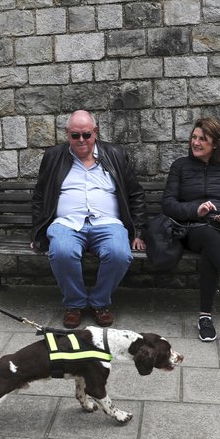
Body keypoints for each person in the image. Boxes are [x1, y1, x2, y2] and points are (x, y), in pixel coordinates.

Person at [30, 110, 146, 328]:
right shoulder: (54, 156)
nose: (81, 140)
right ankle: (74, 304)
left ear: (95, 132)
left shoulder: (115, 154)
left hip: (107, 222)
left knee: (120, 254)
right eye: (75, 135)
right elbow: (39, 196)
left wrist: (138, 231)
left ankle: (100, 303)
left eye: (86, 134)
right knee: (62, 252)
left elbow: (135, 194)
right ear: (67, 134)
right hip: (67, 223)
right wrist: (37, 230)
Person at [162, 117, 220, 342]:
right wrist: (197, 210)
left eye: (202, 139)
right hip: (193, 228)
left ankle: (205, 317)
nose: (195, 143)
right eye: (194, 138)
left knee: (211, 252)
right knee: (206, 235)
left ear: (216, 143)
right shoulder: (180, 166)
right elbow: (168, 204)